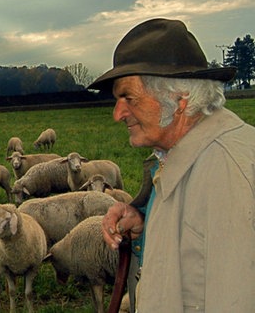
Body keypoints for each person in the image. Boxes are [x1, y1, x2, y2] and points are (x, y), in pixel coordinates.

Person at [88, 18, 255, 312]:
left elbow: (236, 299)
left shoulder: (226, 173)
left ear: (179, 99)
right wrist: (146, 222)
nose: (117, 114)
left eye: (128, 97)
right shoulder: (183, 157)